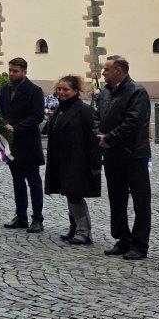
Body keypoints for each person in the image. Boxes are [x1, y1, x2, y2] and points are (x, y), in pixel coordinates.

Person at [96, 54, 152, 261]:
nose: (103, 72)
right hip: (112, 154)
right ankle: (122, 239)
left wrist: (109, 138)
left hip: (134, 154)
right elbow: (97, 116)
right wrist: (98, 134)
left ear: (119, 71)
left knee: (140, 201)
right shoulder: (105, 92)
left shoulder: (136, 91)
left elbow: (134, 122)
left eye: (107, 69)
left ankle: (139, 244)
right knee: (116, 199)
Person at [42, 75, 100, 246]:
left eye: (66, 89)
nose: (61, 92)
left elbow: (92, 137)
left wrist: (93, 162)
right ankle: (74, 228)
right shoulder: (60, 109)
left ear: (75, 91)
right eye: (59, 89)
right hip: (62, 159)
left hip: (78, 160)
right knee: (69, 194)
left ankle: (84, 232)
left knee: (75, 195)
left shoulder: (83, 110)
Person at [0, 57, 46, 233]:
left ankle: (37, 219)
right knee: (17, 181)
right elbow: (1, 111)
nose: (11, 74)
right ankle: (21, 216)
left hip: (29, 143)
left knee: (34, 182)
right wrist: (0, 126)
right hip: (12, 145)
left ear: (24, 72)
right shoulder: (4, 89)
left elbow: (38, 116)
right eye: (10, 70)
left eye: (15, 71)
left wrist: (16, 128)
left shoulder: (35, 90)